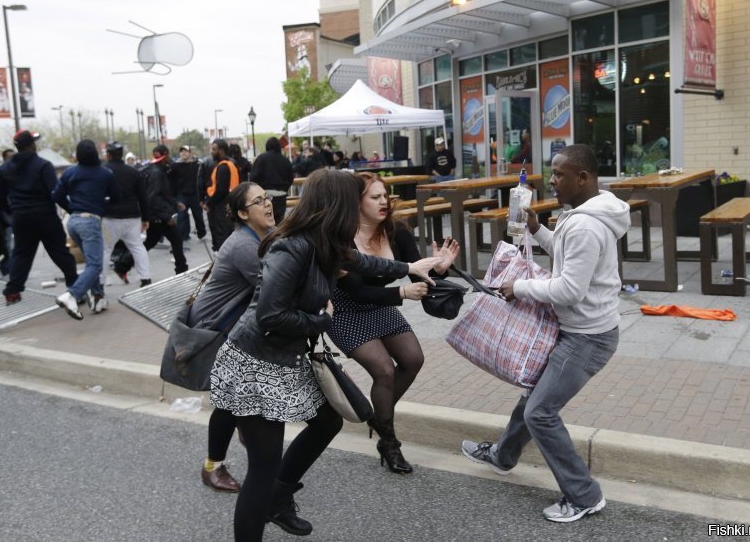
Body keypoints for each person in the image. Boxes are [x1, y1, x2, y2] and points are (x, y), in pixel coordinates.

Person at [209, 168, 439, 540]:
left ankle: (278, 499)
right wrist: (320, 320)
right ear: (337, 206)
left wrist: (409, 267)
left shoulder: (325, 240)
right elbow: (270, 315)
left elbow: (363, 263)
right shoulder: (292, 246)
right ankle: (265, 506)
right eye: (354, 203)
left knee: (328, 422)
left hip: (287, 358)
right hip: (256, 364)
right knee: (263, 468)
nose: (360, 210)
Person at [461, 144, 630, 523]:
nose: (550, 181)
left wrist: (517, 288)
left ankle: (584, 495)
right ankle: (503, 457)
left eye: (558, 174)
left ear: (582, 178)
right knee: (533, 400)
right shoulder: (583, 215)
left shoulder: (585, 224)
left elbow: (570, 289)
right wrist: (537, 230)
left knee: (540, 412)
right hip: (582, 331)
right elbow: (565, 255)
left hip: (588, 339)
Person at [328, 173, 459, 474]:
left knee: (413, 358)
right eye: (374, 197)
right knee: (384, 370)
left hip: (382, 304)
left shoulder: (397, 231)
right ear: (356, 202)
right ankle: (389, 443)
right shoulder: (341, 237)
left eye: (384, 195)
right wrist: (401, 293)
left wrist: (439, 269)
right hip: (347, 310)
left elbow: (417, 276)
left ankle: (379, 415)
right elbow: (358, 292)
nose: (383, 201)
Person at [189, 182, 276, 494]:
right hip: (217, 329)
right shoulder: (243, 245)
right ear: (242, 213)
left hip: (237, 324)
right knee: (229, 401)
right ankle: (212, 465)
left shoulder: (263, 235)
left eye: (267, 198)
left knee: (243, 396)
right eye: (258, 201)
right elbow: (277, 288)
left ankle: (255, 444)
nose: (268, 204)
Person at [0, 130, 78, 305]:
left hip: (21, 217)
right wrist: (71, 210)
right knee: (59, 252)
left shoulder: (5, 168)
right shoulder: (43, 165)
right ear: (32, 145)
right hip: (45, 215)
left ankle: (13, 291)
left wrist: (11, 209)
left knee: (22, 254)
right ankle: (76, 288)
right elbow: (55, 192)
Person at [51, 140, 121, 320]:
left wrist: (72, 208)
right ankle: (71, 295)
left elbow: (56, 196)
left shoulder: (70, 172)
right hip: (91, 221)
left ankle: (98, 298)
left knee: (91, 262)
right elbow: (116, 198)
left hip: (73, 222)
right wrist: (99, 206)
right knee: (96, 265)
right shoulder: (105, 173)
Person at [101, 142, 152, 288]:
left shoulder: (103, 171)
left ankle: (100, 285)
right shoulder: (133, 172)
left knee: (106, 250)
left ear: (108, 154)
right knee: (137, 247)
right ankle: (146, 279)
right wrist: (146, 218)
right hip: (132, 217)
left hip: (109, 218)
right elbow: (143, 197)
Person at [144, 145, 188, 274]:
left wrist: (175, 202)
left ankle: (124, 264)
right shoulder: (157, 173)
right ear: (166, 155)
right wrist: (166, 217)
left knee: (150, 242)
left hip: (156, 214)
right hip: (159, 215)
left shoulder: (156, 170)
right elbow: (154, 198)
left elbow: (164, 194)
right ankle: (181, 269)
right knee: (176, 239)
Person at [249, 137, 295, 225]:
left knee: (265, 222)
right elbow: (291, 178)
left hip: (265, 195)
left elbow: (254, 177)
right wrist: (284, 189)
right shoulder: (285, 160)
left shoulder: (261, 158)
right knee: (279, 222)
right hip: (281, 195)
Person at [204, 139, 239, 251]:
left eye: (214, 149)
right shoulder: (230, 164)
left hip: (221, 207)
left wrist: (208, 203)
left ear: (222, 151)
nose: (211, 152)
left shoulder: (223, 167)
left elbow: (221, 190)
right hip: (228, 204)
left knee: (222, 237)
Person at [172, 145, 207, 242]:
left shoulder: (197, 164)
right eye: (182, 151)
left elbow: (203, 178)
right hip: (181, 194)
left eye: (186, 151)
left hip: (195, 194)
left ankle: (202, 234)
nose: (183, 153)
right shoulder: (175, 165)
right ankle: (184, 235)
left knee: (198, 215)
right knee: (182, 216)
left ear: (190, 153)